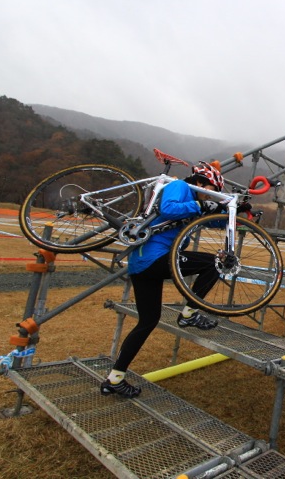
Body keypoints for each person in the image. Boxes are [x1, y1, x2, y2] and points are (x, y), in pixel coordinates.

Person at [100, 161, 228, 398]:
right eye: (209, 188)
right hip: (155, 257)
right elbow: (169, 208)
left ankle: (114, 378)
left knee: (148, 321)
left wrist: (239, 210)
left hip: (142, 266)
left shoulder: (193, 203)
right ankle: (189, 314)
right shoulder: (180, 186)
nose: (210, 194)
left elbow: (216, 220)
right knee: (214, 263)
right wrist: (201, 203)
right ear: (200, 182)